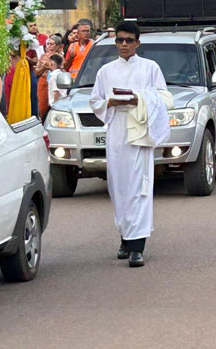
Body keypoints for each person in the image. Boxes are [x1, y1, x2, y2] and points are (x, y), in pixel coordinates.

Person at [89, 21, 173, 267]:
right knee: (119, 187)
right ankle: (125, 238)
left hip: (139, 133)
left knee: (139, 187)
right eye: (119, 40)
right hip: (116, 133)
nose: (124, 44)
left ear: (138, 42)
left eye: (128, 40)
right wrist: (110, 103)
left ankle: (138, 246)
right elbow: (95, 100)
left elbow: (165, 98)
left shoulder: (150, 68)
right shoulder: (106, 71)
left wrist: (139, 98)